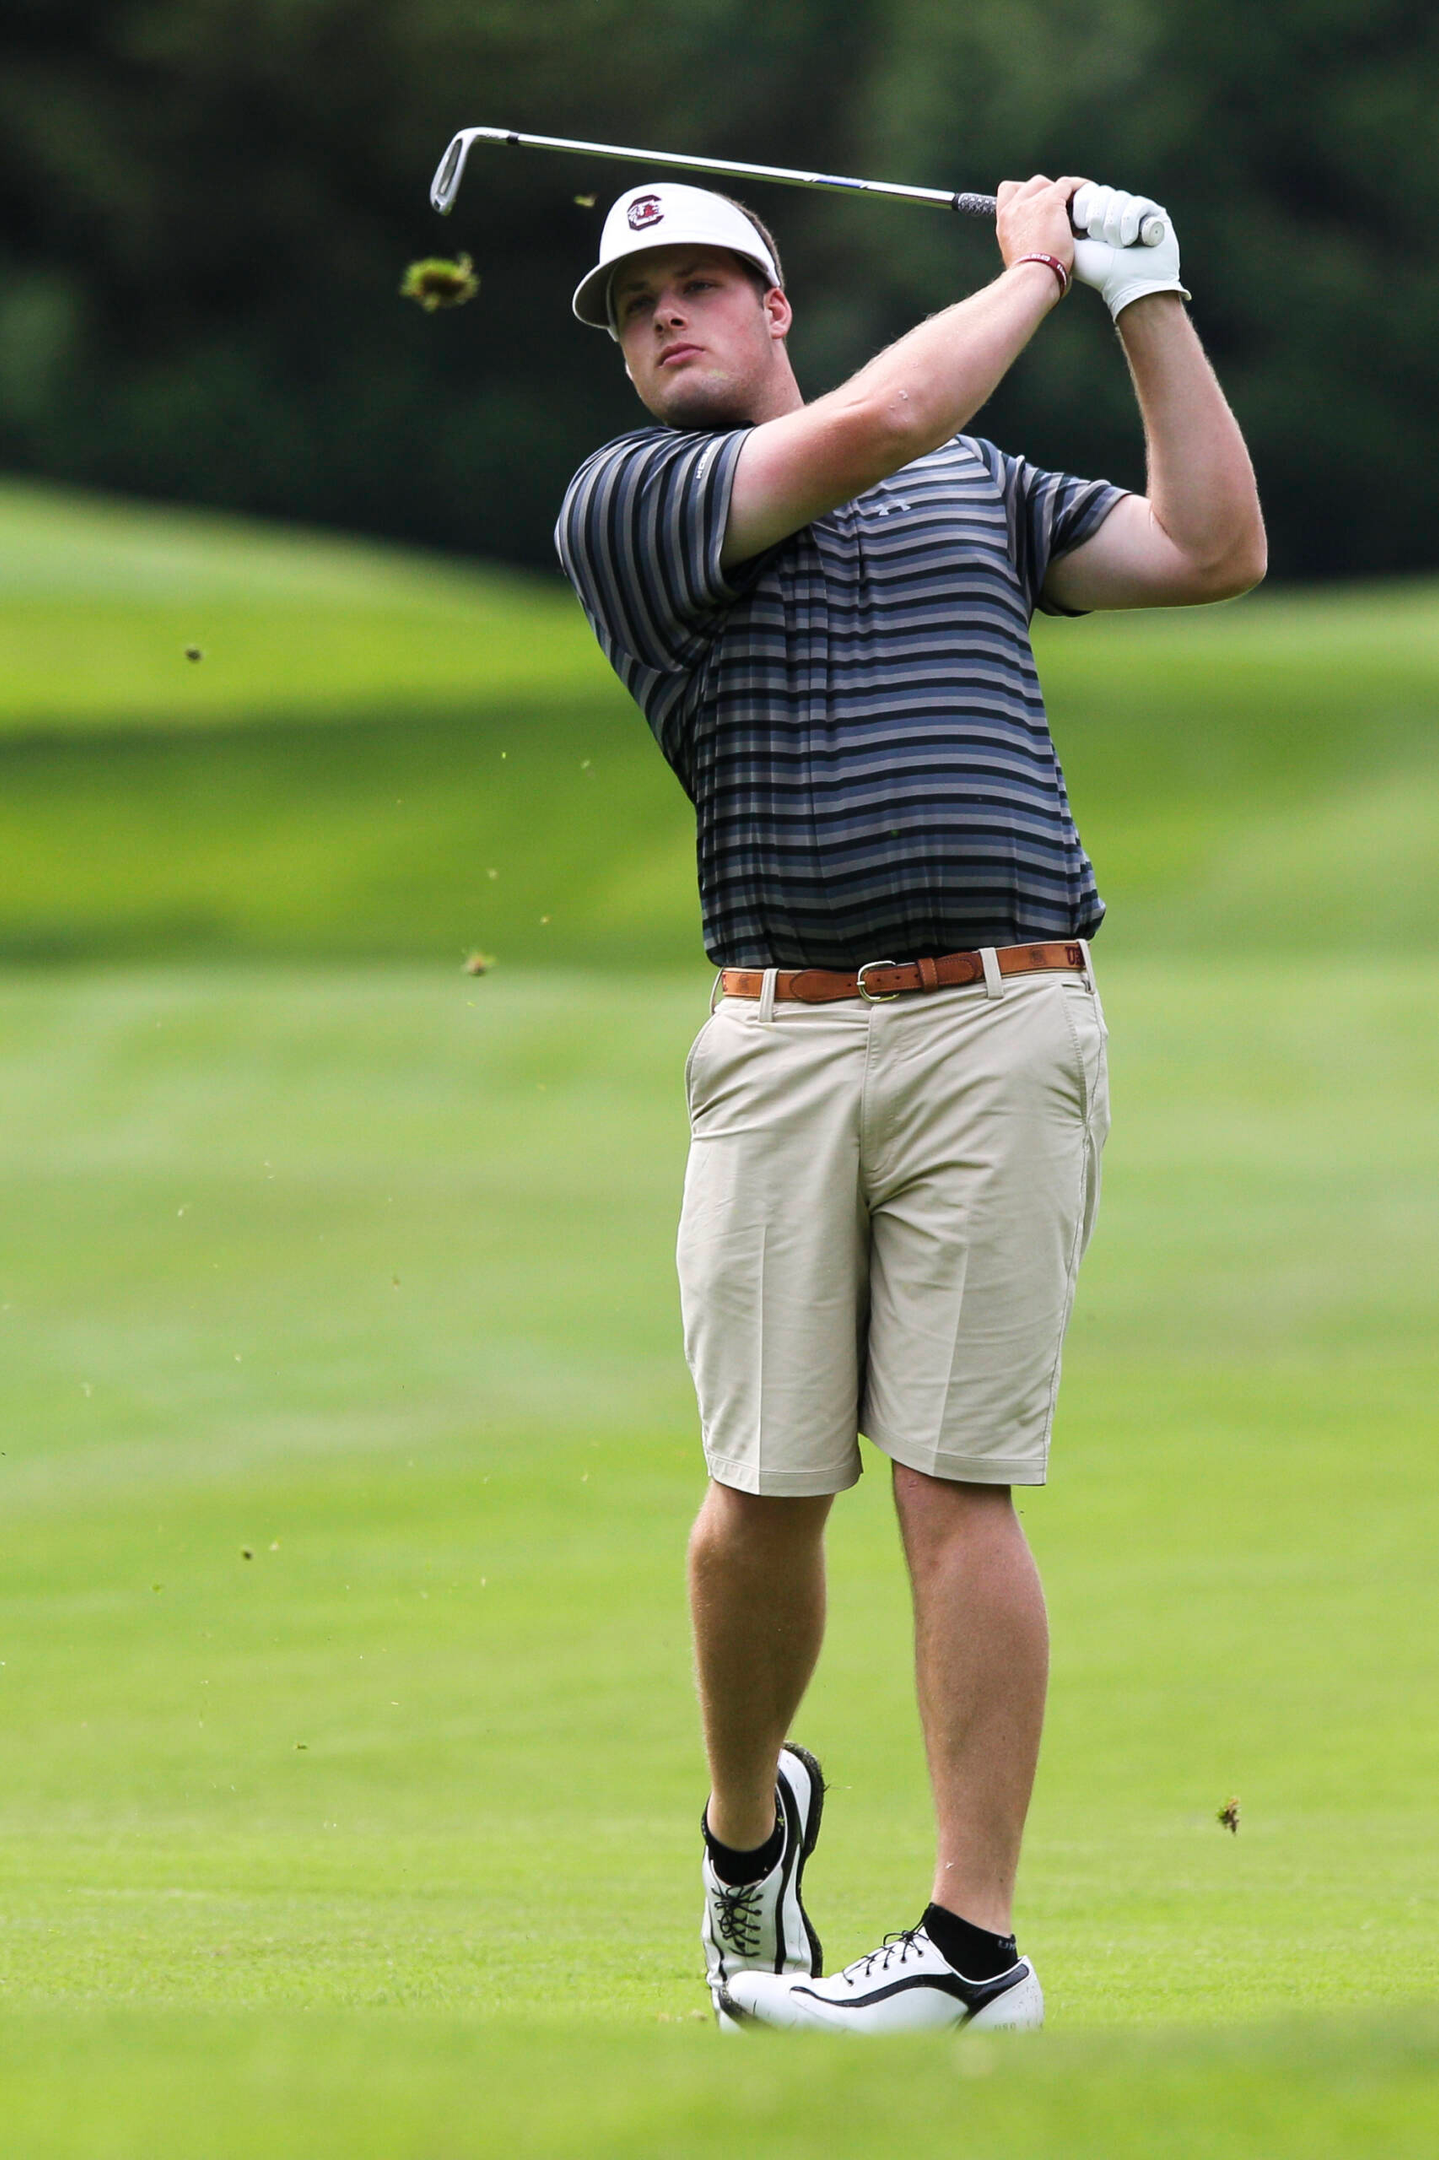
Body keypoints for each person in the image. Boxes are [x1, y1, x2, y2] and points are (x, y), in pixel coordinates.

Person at [555, 173, 1264, 2034]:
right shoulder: (632, 505)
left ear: (773, 302)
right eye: (635, 307)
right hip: (781, 1040)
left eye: (700, 286)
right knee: (757, 1502)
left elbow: (1207, 550)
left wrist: (1144, 299)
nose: (664, 321)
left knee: (960, 1489)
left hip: (1002, 1023)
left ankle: (969, 1950)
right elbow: (884, 416)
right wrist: (1034, 265)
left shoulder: (982, 486)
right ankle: (744, 1838)